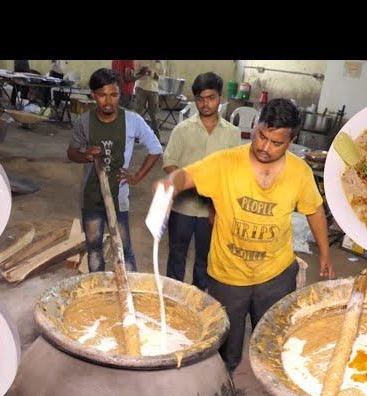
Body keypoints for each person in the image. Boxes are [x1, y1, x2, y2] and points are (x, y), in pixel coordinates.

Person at [153, 98, 335, 372]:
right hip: (228, 276)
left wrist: (325, 253)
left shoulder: (300, 172)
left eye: (277, 143)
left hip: (276, 274)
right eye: (262, 136)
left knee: (272, 338)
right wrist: (169, 184)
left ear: (292, 140)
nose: (265, 147)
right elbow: (185, 176)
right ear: (255, 125)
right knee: (227, 347)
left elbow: (315, 211)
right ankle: (225, 387)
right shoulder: (226, 162)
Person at [67, 68, 163, 273]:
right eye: (102, 95)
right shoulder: (84, 122)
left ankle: (129, 294)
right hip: (91, 196)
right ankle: (99, 293)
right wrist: (86, 156)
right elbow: (72, 152)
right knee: (94, 249)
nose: (108, 101)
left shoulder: (132, 120)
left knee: (124, 249)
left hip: (119, 197)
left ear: (121, 93)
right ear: (93, 95)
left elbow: (156, 148)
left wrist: (136, 177)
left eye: (114, 94)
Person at [163, 72, 241, 291]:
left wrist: (217, 198)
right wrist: (188, 182)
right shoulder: (182, 129)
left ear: (220, 97)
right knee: (177, 254)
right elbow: (169, 161)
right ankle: (173, 297)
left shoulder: (232, 134)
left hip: (213, 210)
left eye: (211, 98)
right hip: (183, 208)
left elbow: (234, 170)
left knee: (205, 259)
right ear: (194, 98)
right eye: (200, 98)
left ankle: (198, 300)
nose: (205, 104)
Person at [134, 60, 163, 139]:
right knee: (137, 113)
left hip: (153, 89)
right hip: (141, 87)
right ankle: (134, 136)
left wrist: (153, 74)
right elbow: (135, 74)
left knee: (154, 115)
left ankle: (157, 137)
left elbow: (160, 76)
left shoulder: (159, 61)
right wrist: (142, 72)